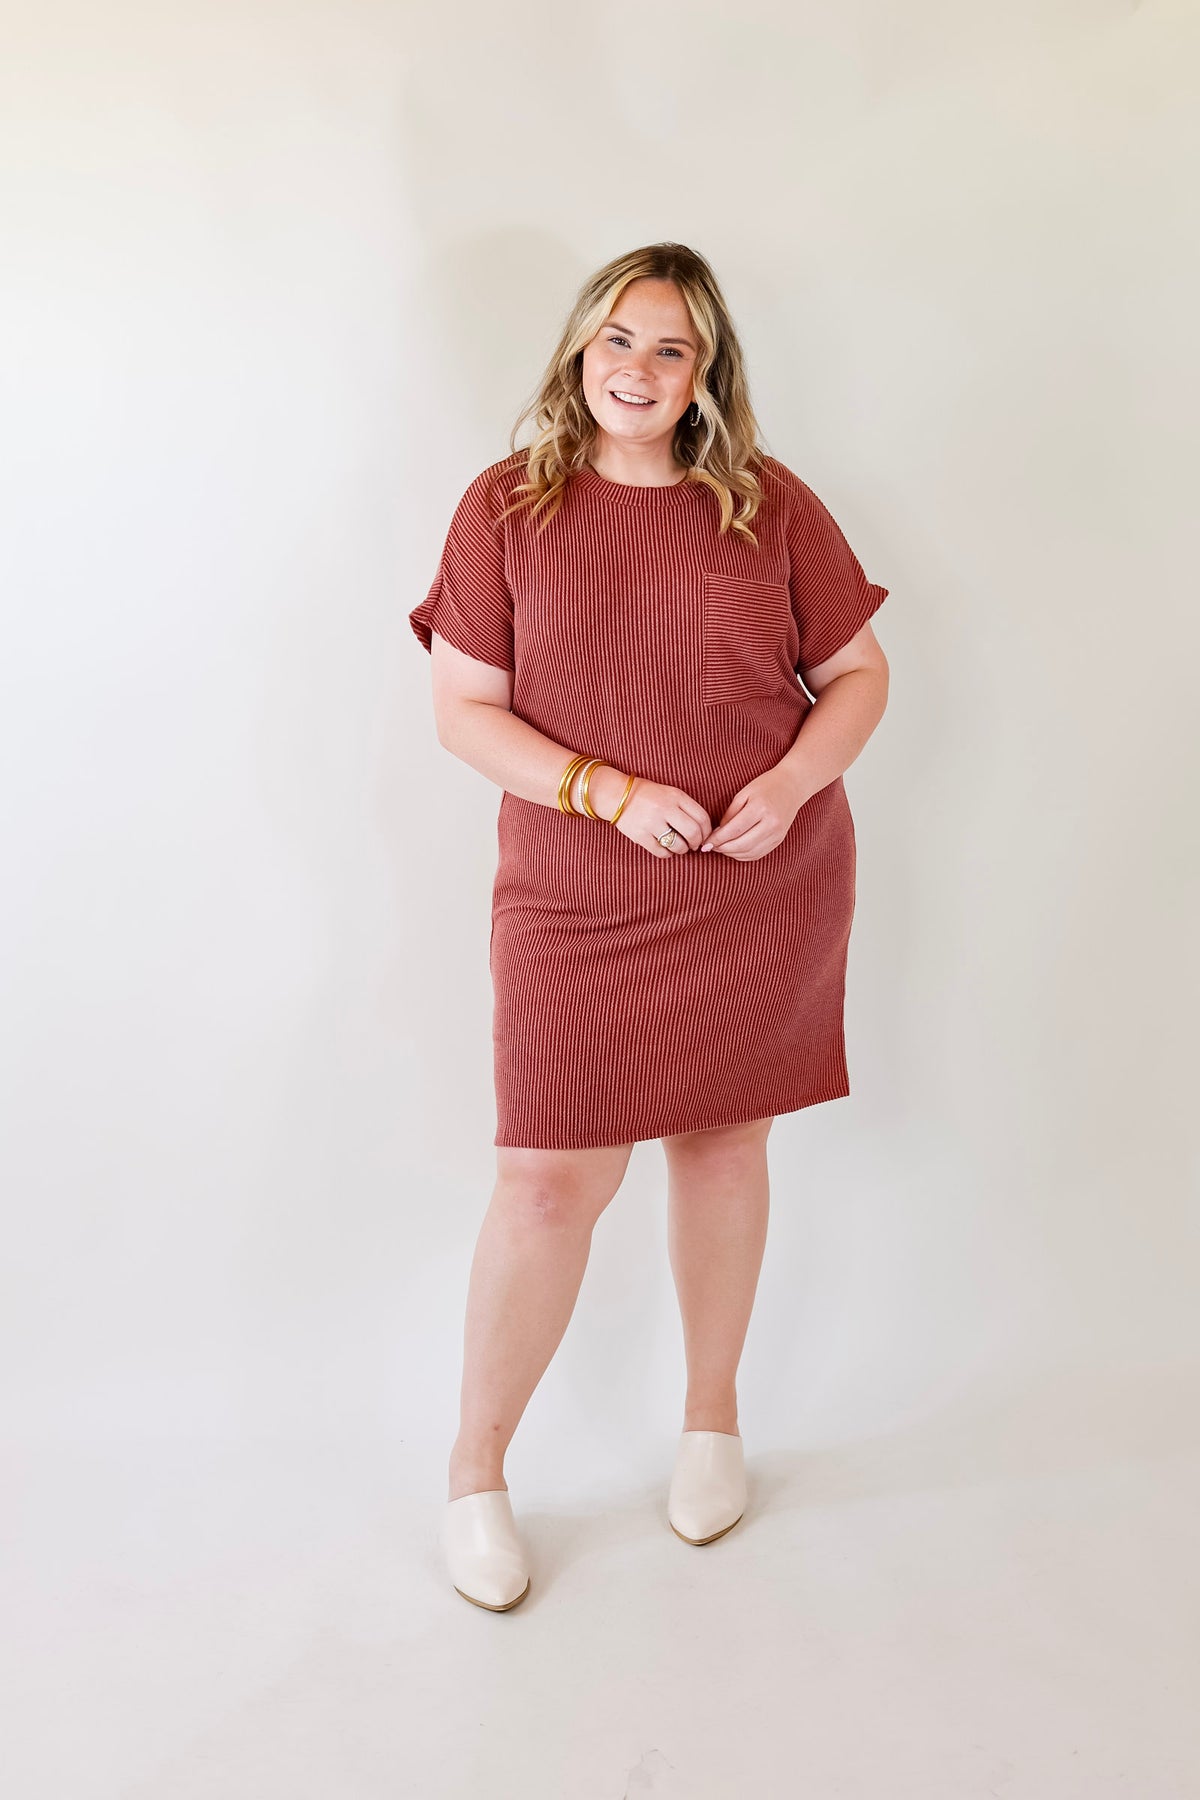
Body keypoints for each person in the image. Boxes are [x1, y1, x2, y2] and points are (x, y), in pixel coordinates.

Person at [408, 242, 891, 1611]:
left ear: (704, 374)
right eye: (618, 339)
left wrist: (789, 786)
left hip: (757, 886)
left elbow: (858, 673)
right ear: (579, 350)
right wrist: (609, 793)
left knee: (724, 1144)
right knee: (546, 1182)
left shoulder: (768, 504)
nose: (638, 368)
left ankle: (711, 1424)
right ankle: (476, 1472)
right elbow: (464, 713)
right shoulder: (504, 506)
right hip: (575, 896)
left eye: (671, 348)